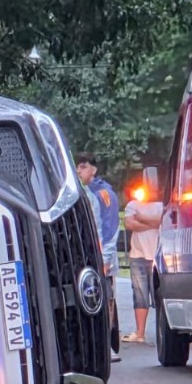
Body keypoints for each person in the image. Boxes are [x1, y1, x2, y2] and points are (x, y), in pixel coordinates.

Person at [77, 153, 121, 361]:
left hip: (102, 259)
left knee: (105, 300)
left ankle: (107, 346)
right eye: (77, 168)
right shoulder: (83, 192)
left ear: (93, 169)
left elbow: (110, 228)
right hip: (89, 259)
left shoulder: (103, 194)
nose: (79, 172)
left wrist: (105, 259)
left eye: (83, 167)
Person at [122, 183, 163, 344]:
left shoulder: (161, 206)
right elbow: (129, 223)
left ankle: (163, 333)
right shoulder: (133, 205)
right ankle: (140, 333)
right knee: (139, 295)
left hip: (158, 257)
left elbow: (163, 219)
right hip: (138, 256)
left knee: (159, 296)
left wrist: (141, 219)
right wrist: (153, 223)